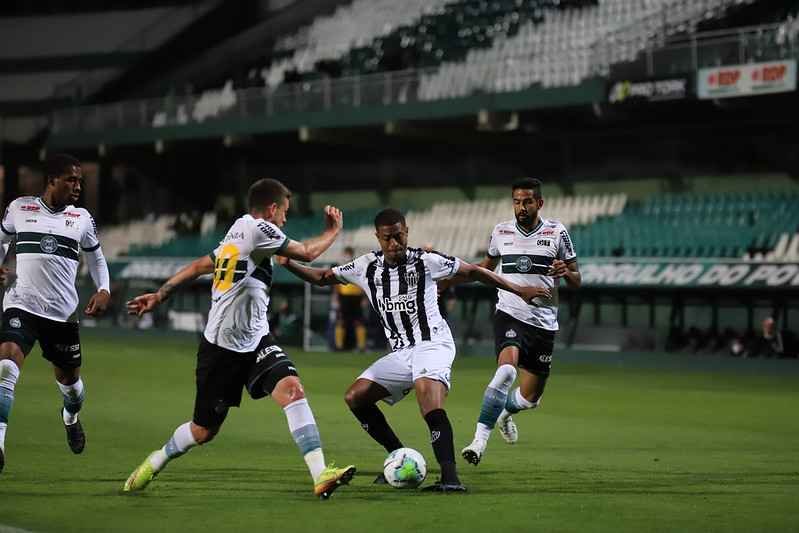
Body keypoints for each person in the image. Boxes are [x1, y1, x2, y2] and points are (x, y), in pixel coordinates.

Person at [278, 208, 545, 492]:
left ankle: (450, 477)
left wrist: (519, 290)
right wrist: (288, 265)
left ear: (406, 232)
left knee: (426, 397)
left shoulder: (427, 261)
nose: (394, 244)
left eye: (399, 236)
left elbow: (475, 271)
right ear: (377, 238)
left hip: (433, 344)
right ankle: (398, 454)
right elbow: (321, 277)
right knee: (355, 397)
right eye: (387, 238)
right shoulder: (365, 266)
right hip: (402, 352)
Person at [123, 178, 355, 499]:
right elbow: (307, 253)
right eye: (284, 212)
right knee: (203, 431)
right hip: (222, 348)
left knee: (293, 390)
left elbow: (200, 265)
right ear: (272, 210)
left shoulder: (239, 230)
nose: (286, 219)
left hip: (256, 337)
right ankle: (156, 460)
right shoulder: (260, 230)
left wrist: (161, 294)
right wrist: (333, 230)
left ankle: (320, 475)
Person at [456, 177, 581, 465]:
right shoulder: (500, 232)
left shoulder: (557, 232)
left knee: (530, 398)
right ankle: (478, 442)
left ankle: (504, 413)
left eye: (527, 201)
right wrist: (451, 279)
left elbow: (577, 280)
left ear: (539, 203)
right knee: (506, 372)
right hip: (509, 313)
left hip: (544, 323)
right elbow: (484, 270)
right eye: (516, 201)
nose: (521, 207)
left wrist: (566, 272)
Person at [0, 153, 111, 473]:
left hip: (61, 316)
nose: (77, 186)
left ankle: (70, 417)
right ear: (52, 180)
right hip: (21, 303)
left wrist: (103, 289)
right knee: (6, 364)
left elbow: (97, 260)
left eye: (80, 181)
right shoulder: (19, 208)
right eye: (71, 180)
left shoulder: (82, 219)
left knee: (71, 385)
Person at [332, 246, 368, 351]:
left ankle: (361, 346)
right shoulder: (340, 267)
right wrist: (336, 298)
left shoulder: (358, 266)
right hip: (344, 297)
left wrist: (365, 298)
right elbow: (336, 284)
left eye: (349, 254)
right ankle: (339, 346)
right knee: (341, 321)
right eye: (346, 254)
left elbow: (363, 282)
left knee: (359, 321)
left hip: (357, 297)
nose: (347, 256)